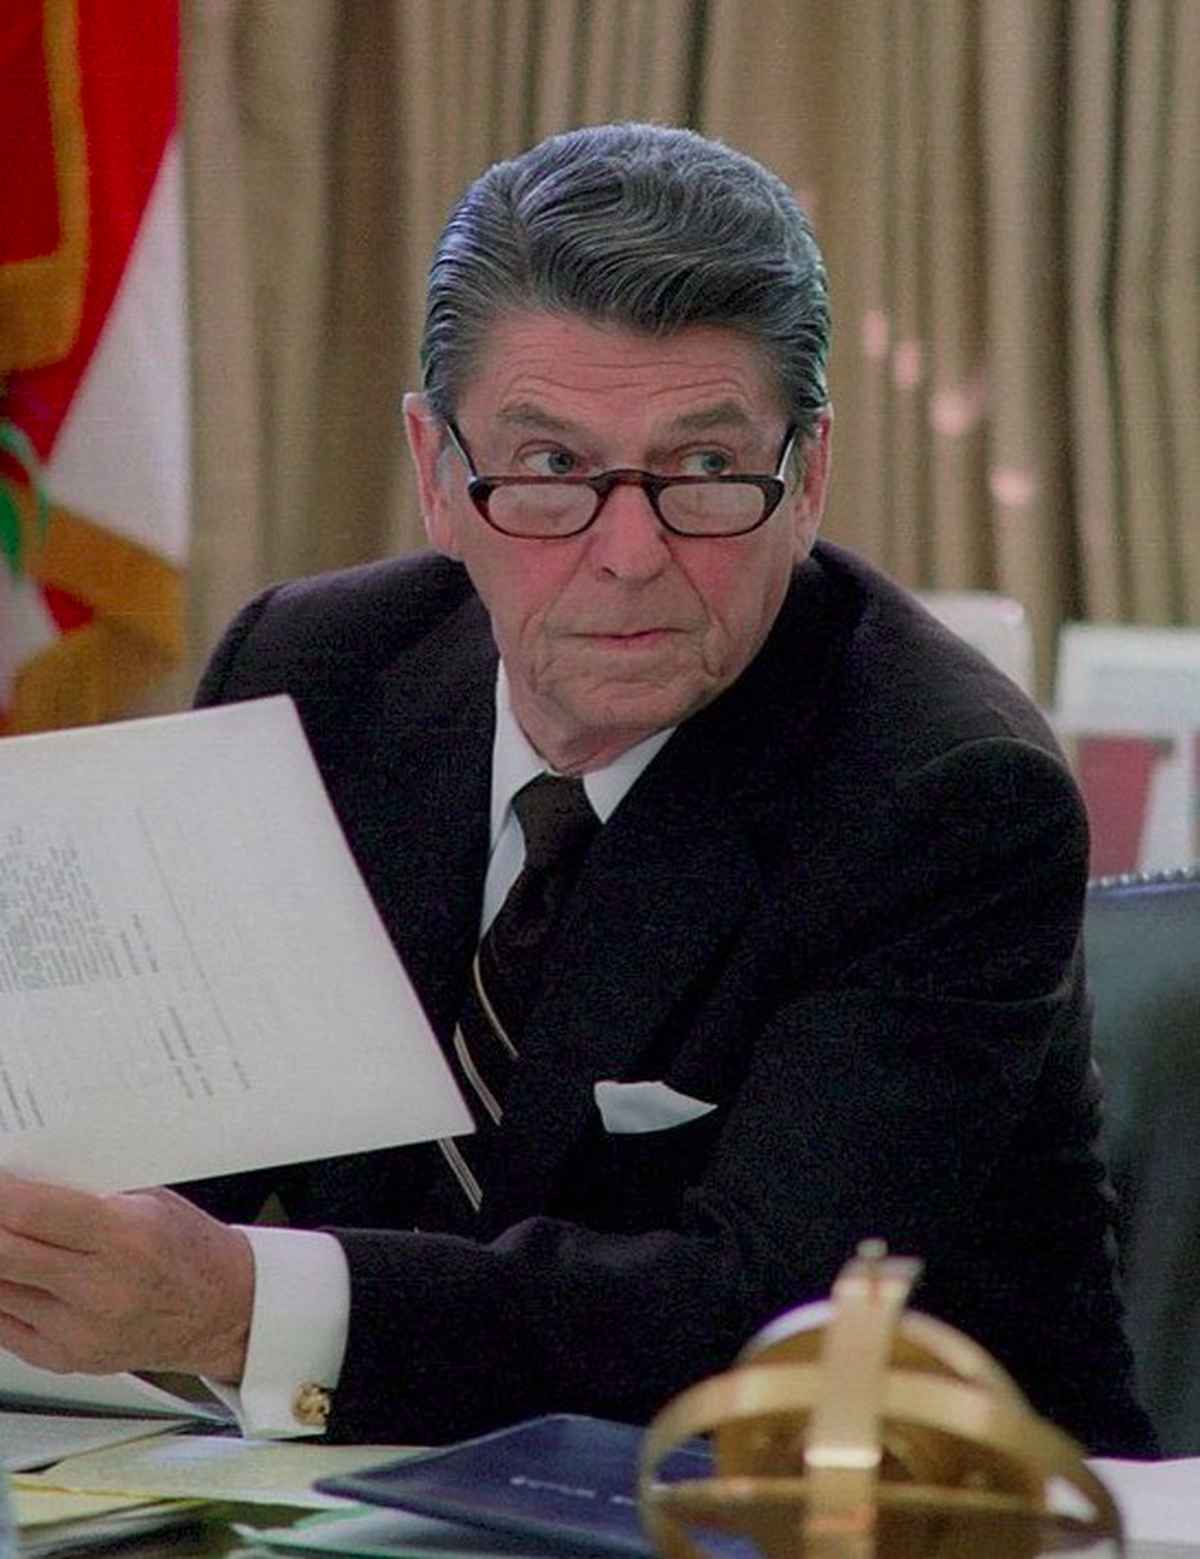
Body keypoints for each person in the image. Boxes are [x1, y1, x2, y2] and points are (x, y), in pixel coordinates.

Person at [0, 123, 1156, 1457]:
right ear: (436, 473)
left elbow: (754, 1322)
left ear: (810, 476)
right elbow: (173, 1150)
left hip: (892, 1513)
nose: (627, 556)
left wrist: (240, 1307)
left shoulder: (944, 793)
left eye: (707, 471)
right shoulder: (317, 676)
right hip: (373, 1490)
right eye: (549, 469)